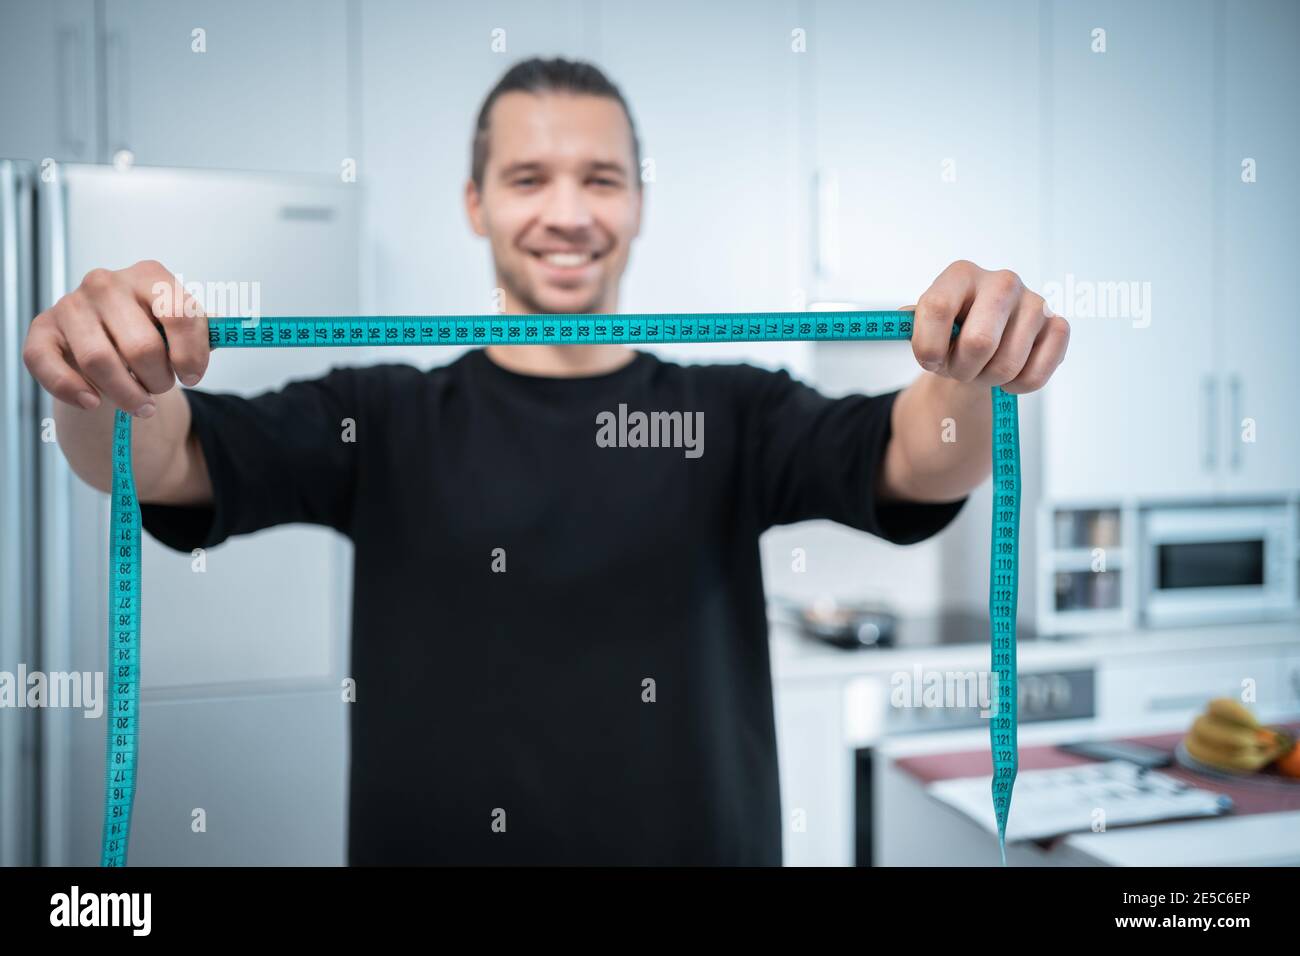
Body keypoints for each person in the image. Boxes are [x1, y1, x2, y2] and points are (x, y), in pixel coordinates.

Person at [22, 57, 1069, 865]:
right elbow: (154, 461)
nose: (567, 212)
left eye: (600, 179)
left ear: (638, 203)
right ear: (476, 204)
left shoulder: (733, 408)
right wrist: (109, 374)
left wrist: (974, 367)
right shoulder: (379, 414)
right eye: (527, 178)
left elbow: (919, 456)